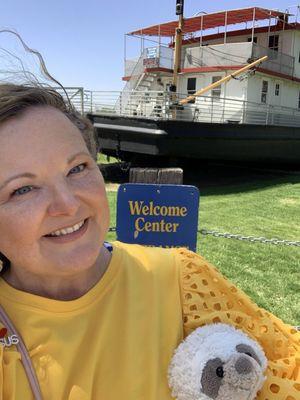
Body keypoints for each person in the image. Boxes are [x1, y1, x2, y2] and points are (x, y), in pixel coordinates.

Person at [0, 83, 298, 400]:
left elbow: (287, 367)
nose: (69, 204)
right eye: (22, 189)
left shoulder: (183, 281)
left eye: (77, 168)